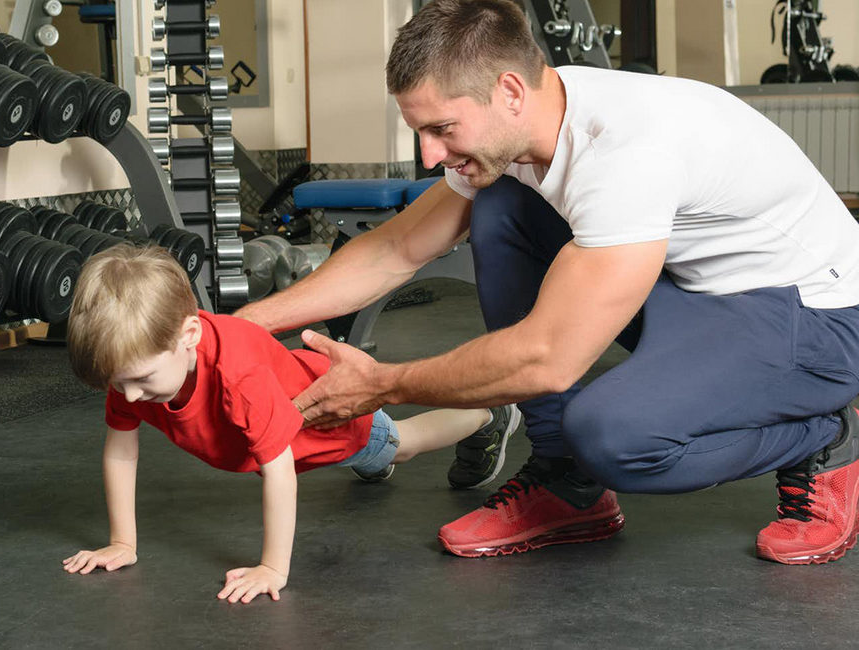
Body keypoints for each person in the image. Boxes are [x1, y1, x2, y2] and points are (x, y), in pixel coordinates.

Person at [234, 0, 859, 565]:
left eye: (442, 129)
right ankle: (567, 484)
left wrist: (383, 385)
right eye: (419, 130)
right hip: (703, 293)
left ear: (508, 89)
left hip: (817, 317)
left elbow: (549, 360)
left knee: (612, 436)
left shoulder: (625, 153)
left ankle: (827, 437)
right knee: (499, 200)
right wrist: (243, 324)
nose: (427, 155)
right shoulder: (532, 120)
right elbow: (396, 248)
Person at [59, 244, 518, 603]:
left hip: (325, 420)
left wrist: (272, 569)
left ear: (189, 337)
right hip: (277, 430)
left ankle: (486, 414)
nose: (131, 396)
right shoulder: (133, 373)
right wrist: (122, 542)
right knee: (371, 458)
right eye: (118, 384)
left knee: (400, 443)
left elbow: (277, 469)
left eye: (140, 380)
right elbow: (121, 449)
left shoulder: (238, 380)